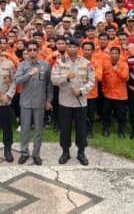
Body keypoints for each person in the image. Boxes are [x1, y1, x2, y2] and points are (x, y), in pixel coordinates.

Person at [51, 36, 95, 165]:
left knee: (81, 128)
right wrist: (66, 77)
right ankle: (65, 152)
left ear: (78, 48)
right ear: (66, 48)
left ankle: (81, 152)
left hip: (80, 102)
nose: (71, 49)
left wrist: (81, 90)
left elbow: (92, 80)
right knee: (65, 128)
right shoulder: (60, 62)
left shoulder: (86, 63)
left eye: (74, 46)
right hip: (65, 102)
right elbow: (54, 79)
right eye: (69, 46)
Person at [14, 40, 53, 165]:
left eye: (34, 49)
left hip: (39, 102)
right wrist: (29, 74)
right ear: (27, 51)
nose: (32, 52)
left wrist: (49, 100)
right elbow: (17, 81)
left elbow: (49, 84)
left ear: (38, 50)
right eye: (29, 50)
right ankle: (24, 153)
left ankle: (36, 154)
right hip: (25, 102)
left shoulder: (45, 65)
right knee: (24, 129)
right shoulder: (22, 65)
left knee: (38, 130)